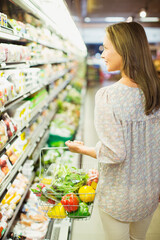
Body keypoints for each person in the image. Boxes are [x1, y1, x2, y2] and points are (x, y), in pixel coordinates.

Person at [65, 21, 160, 240]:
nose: (102, 54)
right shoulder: (155, 91)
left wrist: (84, 150)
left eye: (106, 48)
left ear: (124, 50)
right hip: (149, 192)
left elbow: (115, 153)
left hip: (120, 195)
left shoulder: (108, 97)